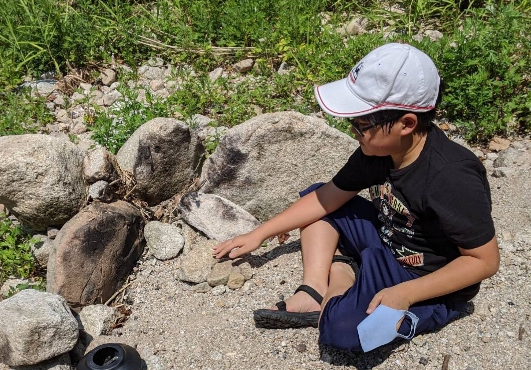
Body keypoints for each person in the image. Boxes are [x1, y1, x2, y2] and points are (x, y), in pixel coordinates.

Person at [213, 43, 499, 352]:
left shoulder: (451, 176)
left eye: (361, 125)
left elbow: (484, 261)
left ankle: (343, 276)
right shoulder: (377, 152)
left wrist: (406, 293)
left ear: (406, 123)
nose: (353, 132)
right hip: (388, 238)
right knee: (317, 200)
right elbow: (326, 197)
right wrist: (260, 233)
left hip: (424, 276)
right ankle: (316, 288)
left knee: (345, 332)